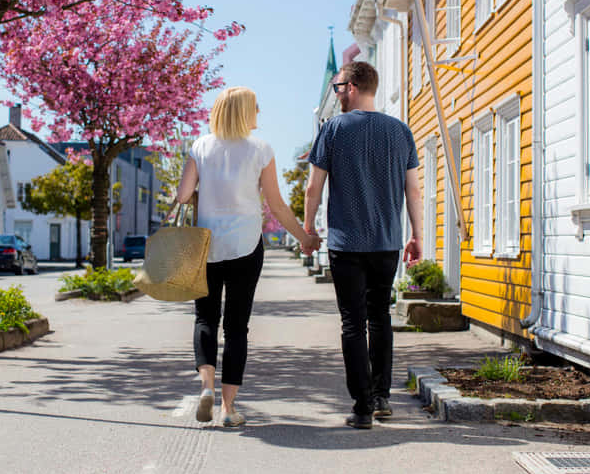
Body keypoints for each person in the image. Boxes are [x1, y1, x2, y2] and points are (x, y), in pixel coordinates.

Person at [175, 86, 321, 427]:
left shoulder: (200, 146)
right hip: (245, 246)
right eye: (256, 108)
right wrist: (305, 238)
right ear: (244, 112)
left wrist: (203, 189)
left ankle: (207, 387)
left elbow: (182, 196)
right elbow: (277, 205)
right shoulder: (261, 150)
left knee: (205, 319)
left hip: (207, 247)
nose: (259, 114)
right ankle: (228, 409)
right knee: (237, 327)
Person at [304, 61, 423, 429]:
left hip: (346, 243)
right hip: (386, 242)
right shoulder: (401, 131)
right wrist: (417, 234)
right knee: (380, 316)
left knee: (353, 323)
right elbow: (413, 189)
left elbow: (313, 186)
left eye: (339, 88)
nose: (338, 95)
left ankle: (362, 407)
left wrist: (308, 228)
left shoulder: (334, 130)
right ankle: (382, 395)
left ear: (353, 87)